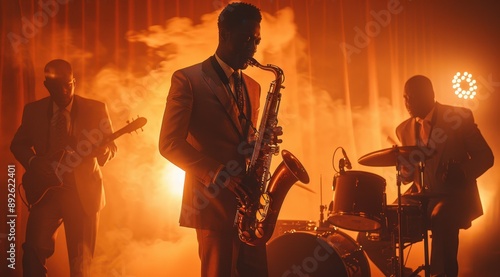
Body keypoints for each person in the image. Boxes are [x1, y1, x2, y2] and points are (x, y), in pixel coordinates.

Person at [159, 2, 271, 277]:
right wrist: (220, 174)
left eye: (256, 41)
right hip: (211, 203)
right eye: (246, 40)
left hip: (249, 206)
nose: (253, 48)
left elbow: (242, 139)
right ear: (224, 35)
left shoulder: (254, 86)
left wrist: (262, 143)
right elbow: (169, 144)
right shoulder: (187, 79)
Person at [359, 75, 494, 277]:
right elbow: (407, 177)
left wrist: (462, 171)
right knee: (369, 234)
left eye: (412, 96)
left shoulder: (458, 117)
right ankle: (404, 274)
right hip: (419, 196)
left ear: (430, 94)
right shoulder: (403, 129)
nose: (407, 102)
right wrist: (404, 166)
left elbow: (486, 156)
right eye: (405, 97)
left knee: (442, 217)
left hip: (453, 196)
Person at [10, 59, 117, 276]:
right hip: (45, 194)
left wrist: (104, 152)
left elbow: (111, 147)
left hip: (83, 195)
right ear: (46, 85)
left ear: (74, 81)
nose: (65, 90)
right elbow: (18, 144)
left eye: (69, 84)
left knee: (82, 264)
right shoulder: (33, 111)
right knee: (32, 252)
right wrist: (33, 162)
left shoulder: (96, 108)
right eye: (58, 86)